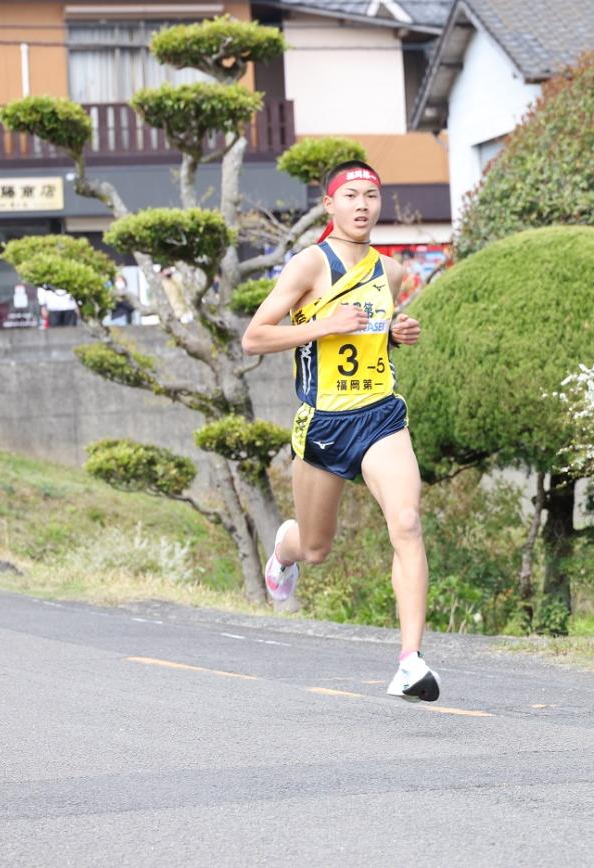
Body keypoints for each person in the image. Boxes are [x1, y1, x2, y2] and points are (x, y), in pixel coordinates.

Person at [241, 161, 439, 702]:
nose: (362, 205)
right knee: (316, 547)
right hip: (323, 423)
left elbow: (373, 335)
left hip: (379, 415)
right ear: (329, 205)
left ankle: (410, 662)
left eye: (371, 196)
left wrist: (397, 334)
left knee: (407, 522)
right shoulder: (310, 265)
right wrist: (323, 324)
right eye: (350, 195)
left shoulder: (391, 273)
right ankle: (283, 550)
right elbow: (254, 338)